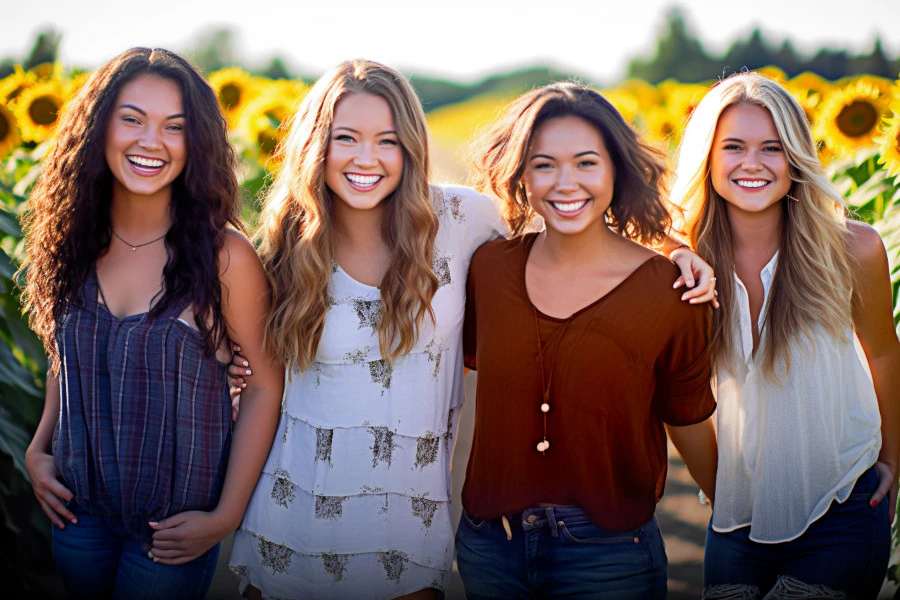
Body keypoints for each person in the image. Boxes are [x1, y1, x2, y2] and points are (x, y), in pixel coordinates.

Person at [225, 62, 716, 600]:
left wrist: (677, 249)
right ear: (316, 145)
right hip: (291, 519)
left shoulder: (461, 220)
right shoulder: (285, 245)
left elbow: (572, 224)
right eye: (346, 138)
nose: (367, 158)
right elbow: (251, 366)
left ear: (412, 146)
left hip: (403, 533)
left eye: (388, 140)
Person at [20, 47, 284, 600]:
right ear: (99, 127)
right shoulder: (70, 241)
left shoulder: (223, 256)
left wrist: (226, 515)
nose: (151, 141)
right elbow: (64, 357)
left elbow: (264, 384)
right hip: (77, 513)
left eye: (175, 127)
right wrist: (37, 450)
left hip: (171, 531)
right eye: (132, 118)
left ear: (198, 143)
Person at [455, 82, 718, 599]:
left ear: (616, 170)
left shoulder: (671, 290)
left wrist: (735, 514)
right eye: (544, 164)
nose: (565, 183)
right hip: (489, 547)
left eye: (586, 163)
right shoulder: (488, 269)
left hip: (608, 556)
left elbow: (687, 417)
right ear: (521, 174)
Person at [670, 71, 900, 599]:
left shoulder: (851, 249)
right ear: (707, 157)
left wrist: (891, 461)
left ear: (796, 156)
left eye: (772, 147)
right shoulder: (680, 268)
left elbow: (884, 354)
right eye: (733, 147)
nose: (753, 163)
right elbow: (675, 402)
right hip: (735, 522)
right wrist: (720, 489)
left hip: (842, 507)